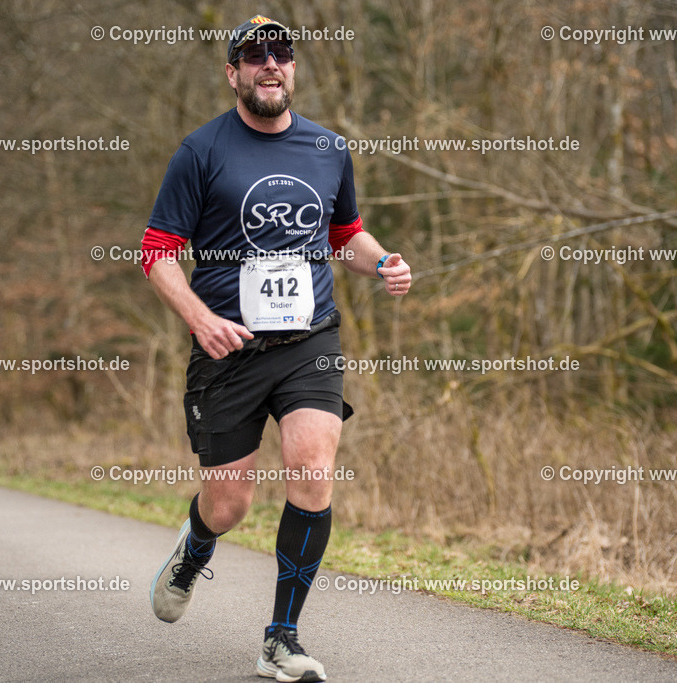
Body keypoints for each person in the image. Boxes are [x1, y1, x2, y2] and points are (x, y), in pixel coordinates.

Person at [140, 15, 411, 683]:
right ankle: (196, 544)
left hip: (309, 339)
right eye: (254, 53)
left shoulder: (327, 147)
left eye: (281, 52)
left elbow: (345, 234)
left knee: (313, 468)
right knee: (229, 504)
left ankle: (280, 638)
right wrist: (200, 319)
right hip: (227, 347)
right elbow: (157, 252)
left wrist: (382, 263)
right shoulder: (200, 151)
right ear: (233, 72)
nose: (270, 62)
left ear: (292, 68)